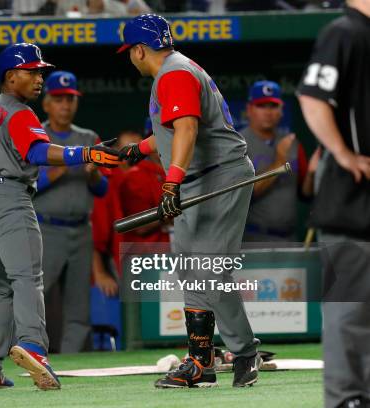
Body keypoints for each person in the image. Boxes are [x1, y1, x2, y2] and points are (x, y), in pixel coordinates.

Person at [0, 43, 121, 391]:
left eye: (40, 71)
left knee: (5, 287)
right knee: (27, 279)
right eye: (31, 71)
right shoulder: (19, 112)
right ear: (11, 77)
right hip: (8, 199)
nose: (39, 77)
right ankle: (34, 347)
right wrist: (85, 153)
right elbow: (39, 152)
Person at [117, 14, 261, 389]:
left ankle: (228, 357)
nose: (130, 57)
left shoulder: (173, 73)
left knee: (208, 268)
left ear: (138, 50)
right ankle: (211, 361)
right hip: (200, 179)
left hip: (217, 176)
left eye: (129, 52)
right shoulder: (175, 70)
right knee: (194, 268)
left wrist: (170, 183)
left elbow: (188, 127)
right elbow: (173, 129)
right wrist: (140, 148)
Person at [297, 1, 370, 406]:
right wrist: (342, 153)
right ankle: (345, 400)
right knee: (349, 313)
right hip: (352, 200)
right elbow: (312, 97)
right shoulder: (344, 31)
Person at [34, 70, 109, 353]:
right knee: (34, 297)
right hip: (46, 228)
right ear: (47, 103)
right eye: (59, 99)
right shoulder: (36, 136)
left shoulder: (88, 136)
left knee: (79, 305)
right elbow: (30, 185)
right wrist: (68, 160)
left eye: (70, 99)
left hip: (81, 228)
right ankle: (27, 353)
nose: (65, 105)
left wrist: (91, 174)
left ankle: (73, 359)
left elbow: (101, 190)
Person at [240, 80, 315, 242]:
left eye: (273, 106)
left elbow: (305, 194)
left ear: (281, 111)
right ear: (249, 109)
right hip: (252, 238)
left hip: (290, 237)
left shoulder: (292, 143)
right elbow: (243, 195)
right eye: (261, 105)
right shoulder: (238, 144)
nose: (268, 112)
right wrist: (280, 162)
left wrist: (311, 174)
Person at [92, 130, 143, 297]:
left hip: (144, 263)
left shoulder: (149, 178)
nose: (133, 155)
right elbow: (96, 236)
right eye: (127, 149)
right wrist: (100, 273)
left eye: (139, 150)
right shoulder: (108, 181)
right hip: (118, 268)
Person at [119, 120, 170, 245]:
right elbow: (140, 226)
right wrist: (174, 214)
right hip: (146, 255)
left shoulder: (179, 170)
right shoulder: (136, 176)